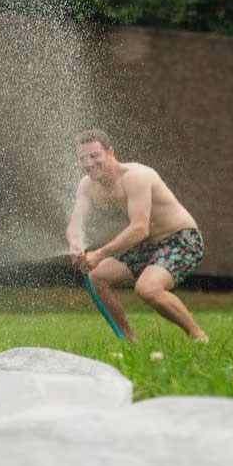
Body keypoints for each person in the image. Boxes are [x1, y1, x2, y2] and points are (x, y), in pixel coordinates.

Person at [66, 129, 209, 341]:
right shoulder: (87, 185)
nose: (88, 163)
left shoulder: (136, 176)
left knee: (147, 289)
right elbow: (74, 225)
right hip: (147, 244)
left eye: (94, 155)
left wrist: (100, 254)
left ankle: (198, 337)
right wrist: (74, 244)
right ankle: (129, 342)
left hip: (181, 239)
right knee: (98, 277)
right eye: (83, 158)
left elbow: (140, 228)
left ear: (110, 152)